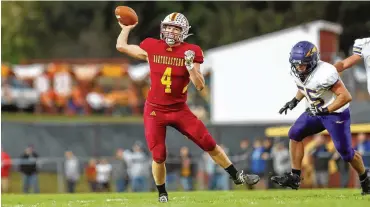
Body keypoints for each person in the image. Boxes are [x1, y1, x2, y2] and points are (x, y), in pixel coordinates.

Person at [116, 12, 260, 202]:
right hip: (155, 110)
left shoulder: (191, 51)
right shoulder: (152, 46)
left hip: (178, 109)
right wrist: (126, 29)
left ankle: (236, 176)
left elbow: (200, 85)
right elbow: (121, 46)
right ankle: (162, 193)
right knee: (158, 155)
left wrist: (190, 65)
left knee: (209, 143)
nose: (170, 31)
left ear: (183, 32)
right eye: (167, 27)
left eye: (175, 28)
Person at [271, 41, 370, 195]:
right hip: (316, 111)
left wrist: (325, 109)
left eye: (302, 65)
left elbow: (345, 96)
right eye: (296, 64)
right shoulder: (299, 71)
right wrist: (294, 101)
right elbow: (304, 87)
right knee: (294, 133)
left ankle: (365, 177)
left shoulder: (325, 73)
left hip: (335, 113)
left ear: (311, 62)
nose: (298, 68)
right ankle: (295, 177)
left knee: (346, 153)